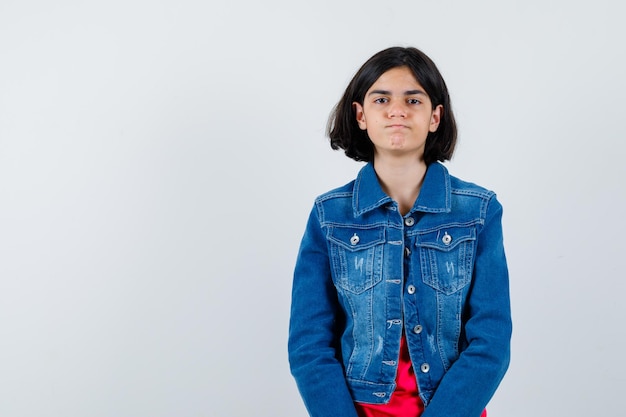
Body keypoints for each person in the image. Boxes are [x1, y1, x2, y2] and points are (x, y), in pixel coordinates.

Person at [288, 46, 512, 417]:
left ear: (435, 117)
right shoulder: (329, 215)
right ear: (360, 115)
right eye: (381, 99)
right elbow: (309, 344)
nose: (397, 110)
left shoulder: (479, 211)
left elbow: (492, 341)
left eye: (413, 99)